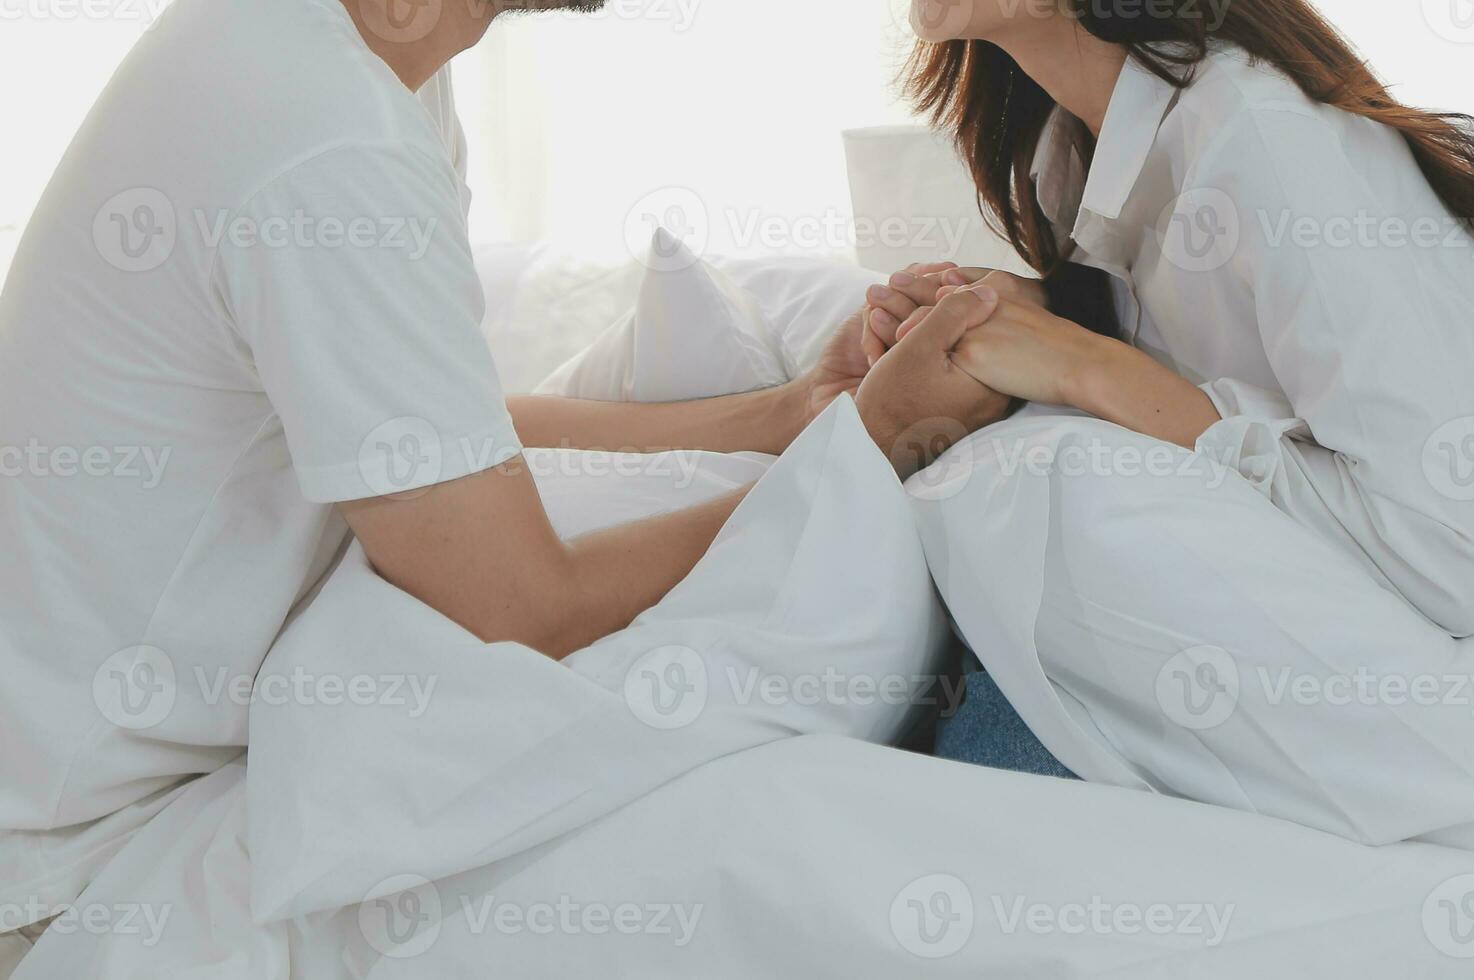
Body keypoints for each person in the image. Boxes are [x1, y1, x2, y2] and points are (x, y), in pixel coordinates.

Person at [0, 0, 1009, 935]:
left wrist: (786, 419)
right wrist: (863, 452)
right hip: (64, 868)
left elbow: (448, 438)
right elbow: (517, 600)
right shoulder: (329, 132)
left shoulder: (348, 58)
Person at [855, 0, 1474, 830]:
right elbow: (1212, 354)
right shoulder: (1072, 145)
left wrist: (1087, 369)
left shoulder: (1263, 135)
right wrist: (1038, 311)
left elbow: (1449, 553)